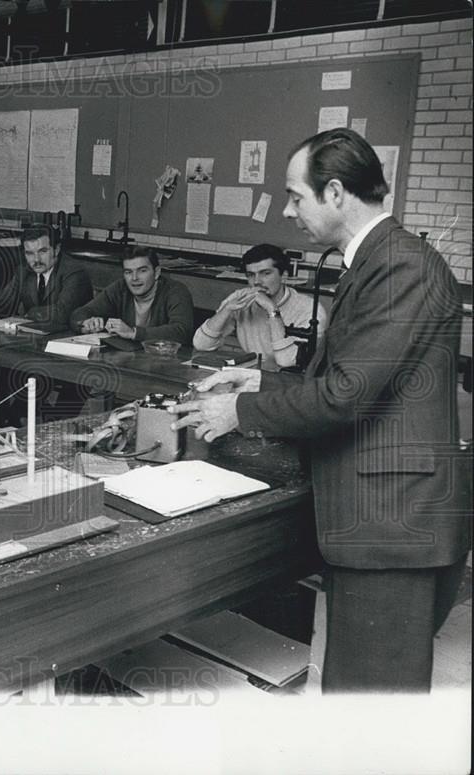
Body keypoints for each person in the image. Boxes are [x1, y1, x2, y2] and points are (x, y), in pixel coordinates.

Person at [169, 128, 469, 694]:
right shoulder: (377, 260)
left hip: (392, 522)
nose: (288, 210)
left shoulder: (400, 266)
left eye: (294, 196)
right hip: (379, 517)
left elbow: (346, 396)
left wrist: (240, 410)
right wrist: (260, 376)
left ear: (335, 193)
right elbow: (358, 377)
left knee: (370, 702)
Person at [193, 243, 329, 370]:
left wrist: (272, 310)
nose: (257, 281)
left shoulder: (309, 309)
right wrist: (226, 310)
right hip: (254, 374)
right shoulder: (240, 298)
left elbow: (287, 362)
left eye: (266, 273)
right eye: (251, 275)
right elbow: (201, 345)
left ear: (284, 276)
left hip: (292, 381)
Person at [70, 247, 193, 344]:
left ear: (156, 273)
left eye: (142, 271)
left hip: (167, 364)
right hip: (130, 360)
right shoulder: (120, 288)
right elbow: (79, 314)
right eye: (128, 272)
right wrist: (86, 324)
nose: (134, 278)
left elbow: (182, 331)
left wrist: (133, 333)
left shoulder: (176, 291)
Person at [0, 226, 92, 329]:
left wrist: (28, 314)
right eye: (30, 253)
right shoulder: (24, 271)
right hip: (36, 333)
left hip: (67, 337)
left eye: (42, 251)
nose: (36, 260)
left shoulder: (74, 272)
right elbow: (7, 297)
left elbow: (62, 313)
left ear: (56, 250)